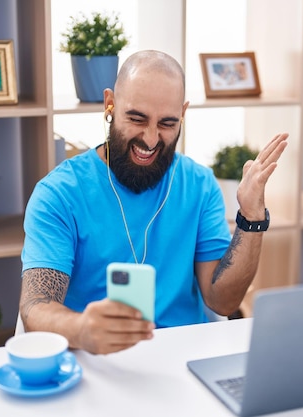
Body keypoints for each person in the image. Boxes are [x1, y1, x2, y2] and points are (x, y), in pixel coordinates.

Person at [19, 50, 288, 355]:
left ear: (183, 114)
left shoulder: (199, 185)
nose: (150, 139)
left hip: (183, 359)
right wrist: (81, 329)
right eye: (137, 119)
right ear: (110, 104)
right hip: (94, 360)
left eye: (167, 124)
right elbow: (35, 307)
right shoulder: (59, 194)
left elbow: (222, 301)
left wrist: (251, 217)